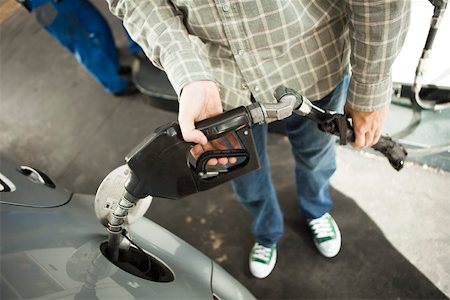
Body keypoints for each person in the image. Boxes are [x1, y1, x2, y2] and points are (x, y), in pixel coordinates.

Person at [107, 0, 410, 278]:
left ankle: (317, 209)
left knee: (316, 158)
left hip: (314, 63)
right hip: (218, 81)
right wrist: (189, 72)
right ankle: (267, 233)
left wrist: (371, 83)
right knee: (245, 177)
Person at [18, 0, 140, 96]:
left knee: (99, 27)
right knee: (83, 45)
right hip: (44, 4)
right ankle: (115, 85)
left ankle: (114, 66)